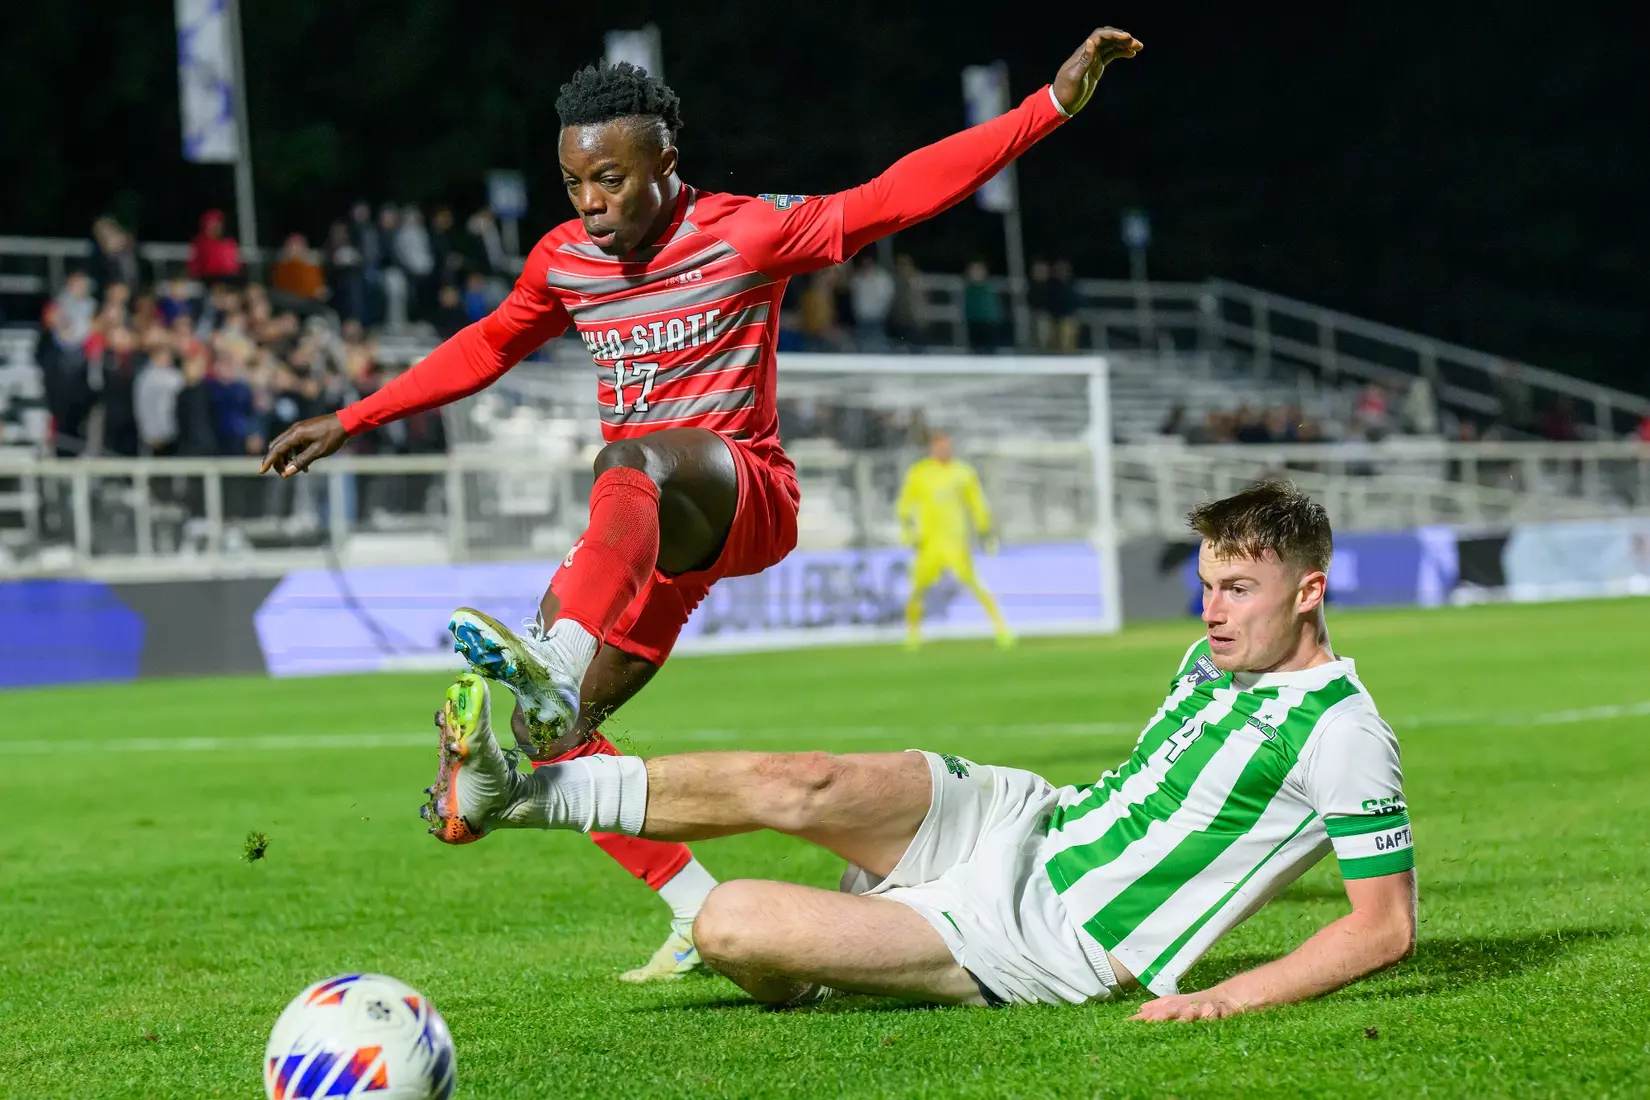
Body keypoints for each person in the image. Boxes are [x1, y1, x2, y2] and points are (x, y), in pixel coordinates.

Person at [264, 28, 1143, 981]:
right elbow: (484, 346)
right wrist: (355, 415)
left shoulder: (746, 230)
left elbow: (893, 197)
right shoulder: (564, 261)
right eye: (574, 184)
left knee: (630, 460)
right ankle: (686, 904)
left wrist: (1047, 106)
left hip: (744, 493)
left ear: (665, 164)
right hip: (650, 539)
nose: (592, 205)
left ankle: (555, 656)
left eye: (611, 179)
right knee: (550, 738)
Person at [426, 481, 1416, 1015]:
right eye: (1206, 583)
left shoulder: (1341, 732)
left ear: (1310, 590)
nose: (1213, 609)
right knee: (800, 780)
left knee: (729, 919)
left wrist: (1221, 998)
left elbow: (1382, 928)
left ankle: (823, 964)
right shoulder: (1212, 658)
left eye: (1237, 589)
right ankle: (511, 790)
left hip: (1045, 935)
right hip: (1033, 815)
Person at [897, 432, 1012, 649]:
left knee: (975, 585)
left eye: (947, 447)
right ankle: (913, 635)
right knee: (917, 589)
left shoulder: (963, 473)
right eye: (940, 447)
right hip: (928, 543)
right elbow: (905, 504)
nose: (944, 451)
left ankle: (1001, 629)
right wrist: (909, 533)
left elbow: (977, 504)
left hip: (956, 543)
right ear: (932, 449)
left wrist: (984, 530)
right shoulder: (920, 473)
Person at [188, 209, 242, 282]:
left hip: (229, 280)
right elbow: (196, 268)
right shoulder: (200, 243)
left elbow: (234, 268)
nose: (218, 227)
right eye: (214, 223)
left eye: (219, 223)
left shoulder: (229, 243)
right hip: (208, 280)